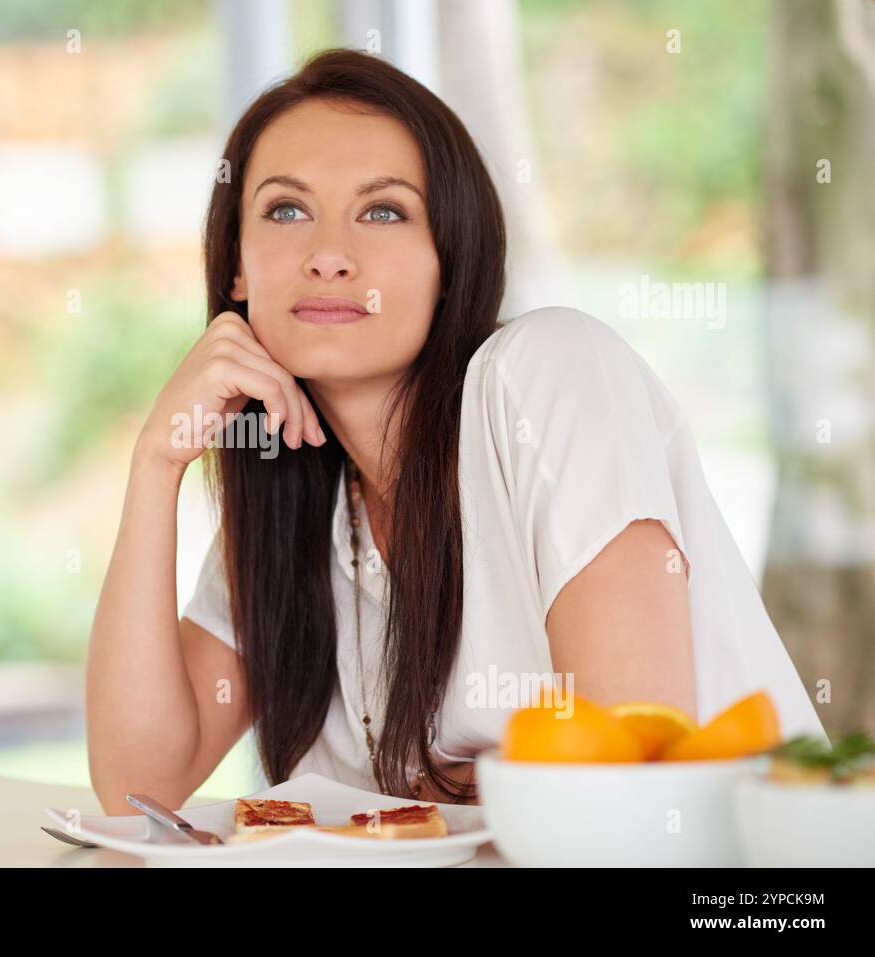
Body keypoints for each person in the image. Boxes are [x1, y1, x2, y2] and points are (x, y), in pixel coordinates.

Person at [85, 48, 825, 813]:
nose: (330, 256)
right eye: (286, 210)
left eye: (383, 210)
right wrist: (156, 463)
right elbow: (137, 783)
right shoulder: (299, 499)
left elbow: (628, 777)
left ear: (451, 258)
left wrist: (455, 789)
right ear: (236, 269)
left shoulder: (548, 375)